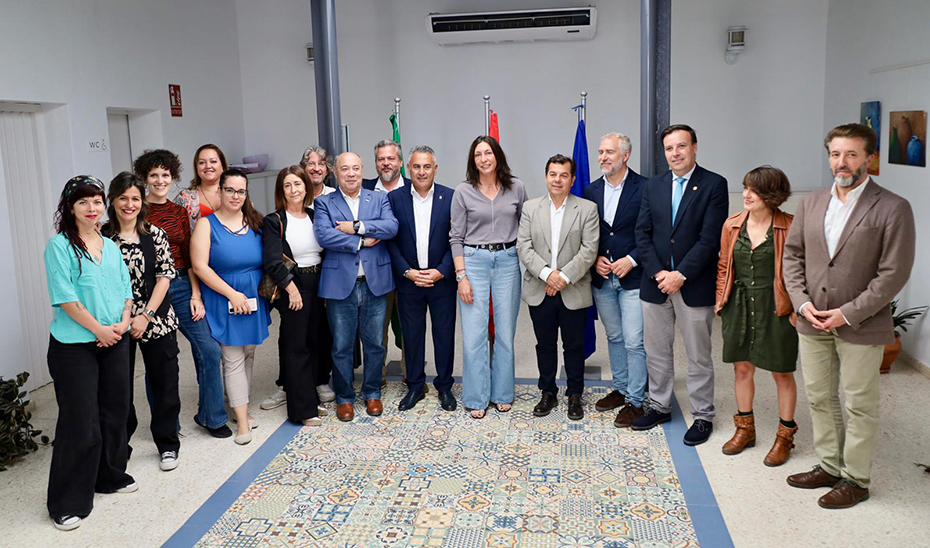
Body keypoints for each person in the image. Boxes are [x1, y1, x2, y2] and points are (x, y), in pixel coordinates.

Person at [783, 123, 915, 509]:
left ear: (870, 159)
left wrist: (846, 313)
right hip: (811, 319)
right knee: (820, 397)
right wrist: (801, 302)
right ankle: (828, 464)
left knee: (859, 403)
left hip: (861, 323)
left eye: (852, 154)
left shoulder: (893, 207)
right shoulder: (810, 202)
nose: (842, 163)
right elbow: (793, 257)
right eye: (836, 154)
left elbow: (894, 274)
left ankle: (856, 480)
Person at [44, 176, 137, 531]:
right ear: (70, 207)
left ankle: (109, 477)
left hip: (115, 339)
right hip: (75, 347)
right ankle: (66, 502)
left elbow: (126, 290)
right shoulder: (59, 247)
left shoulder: (109, 246)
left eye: (97, 201)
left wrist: (124, 321)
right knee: (80, 422)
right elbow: (66, 297)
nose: (92, 208)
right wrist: (99, 330)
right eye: (84, 202)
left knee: (114, 414)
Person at [633, 124, 728, 446]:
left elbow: (709, 239)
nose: (675, 153)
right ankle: (659, 405)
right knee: (657, 352)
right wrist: (660, 272)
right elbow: (641, 233)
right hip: (655, 284)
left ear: (695, 147)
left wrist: (680, 274)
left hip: (694, 285)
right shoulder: (654, 185)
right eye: (670, 148)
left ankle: (703, 415)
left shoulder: (714, 184)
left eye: (681, 146)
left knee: (698, 355)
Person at [135, 149, 230, 439]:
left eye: (165, 175)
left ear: (173, 177)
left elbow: (190, 256)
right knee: (161, 361)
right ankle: (167, 427)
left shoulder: (179, 211)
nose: (160, 180)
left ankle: (211, 416)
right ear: (145, 178)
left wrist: (195, 294)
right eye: (154, 175)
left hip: (180, 285)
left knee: (209, 350)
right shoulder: (136, 212)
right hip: (151, 292)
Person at [715, 166, 799, 466]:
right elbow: (724, 265)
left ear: (772, 194)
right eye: (745, 187)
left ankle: (784, 436)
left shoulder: (789, 226)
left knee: (782, 372)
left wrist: (796, 310)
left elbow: (800, 273)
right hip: (738, 303)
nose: (746, 195)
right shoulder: (732, 225)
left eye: (754, 190)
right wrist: (721, 303)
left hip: (776, 306)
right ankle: (745, 430)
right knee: (741, 370)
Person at [102, 172, 182, 471]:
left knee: (165, 384)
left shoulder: (154, 234)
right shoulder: (103, 237)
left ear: (142, 201)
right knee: (118, 388)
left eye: (135, 198)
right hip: (117, 324)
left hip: (156, 319)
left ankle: (167, 444)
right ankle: (120, 445)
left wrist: (146, 315)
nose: (129, 204)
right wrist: (128, 318)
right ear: (113, 200)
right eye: (123, 198)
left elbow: (165, 276)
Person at [315, 152, 398, 422]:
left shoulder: (380, 198)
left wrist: (356, 227)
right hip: (341, 285)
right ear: (335, 173)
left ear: (362, 171)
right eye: (344, 169)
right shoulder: (324, 202)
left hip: (375, 282)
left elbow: (391, 227)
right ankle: (345, 397)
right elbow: (324, 235)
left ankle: (372, 393)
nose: (351, 173)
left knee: (375, 343)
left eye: (355, 168)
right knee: (341, 345)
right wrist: (361, 240)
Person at [190, 169, 271, 445]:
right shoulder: (206, 225)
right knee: (233, 358)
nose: (235, 196)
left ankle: (240, 409)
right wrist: (232, 294)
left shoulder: (255, 222)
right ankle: (243, 423)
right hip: (224, 298)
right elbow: (200, 266)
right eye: (230, 190)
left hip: (254, 299)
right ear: (220, 191)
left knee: (248, 354)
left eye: (241, 191)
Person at [450, 136, 527, 419]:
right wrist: (461, 277)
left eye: (488, 153)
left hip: (508, 262)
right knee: (474, 335)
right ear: (473, 160)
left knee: (505, 332)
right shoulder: (463, 191)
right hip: (473, 263)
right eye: (478, 154)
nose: (484, 158)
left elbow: (526, 230)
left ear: (497, 156)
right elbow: (455, 237)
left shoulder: (516, 187)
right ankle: (476, 396)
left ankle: (503, 393)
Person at [517, 155, 599, 420]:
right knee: (545, 344)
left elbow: (589, 251)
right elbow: (524, 247)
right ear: (546, 176)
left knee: (574, 345)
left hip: (572, 289)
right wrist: (546, 275)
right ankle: (547, 392)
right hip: (539, 288)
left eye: (564, 175)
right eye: (553, 174)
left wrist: (561, 278)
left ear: (572, 179)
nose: (557, 179)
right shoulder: (531, 208)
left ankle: (575, 395)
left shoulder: (587, 209)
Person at [259, 146, 337, 410]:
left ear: (306, 187)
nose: (294, 190)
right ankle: (302, 408)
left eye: (298, 184)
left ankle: (311, 392)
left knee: (317, 339)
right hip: (294, 284)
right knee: (297, 345)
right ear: (281, 190)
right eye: (288, 185)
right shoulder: (274, 220)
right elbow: (272, 260)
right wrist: (291, 290)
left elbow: (327, 251)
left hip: (319, 282)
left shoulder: (317, 215)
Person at [583, 132, 649, 427]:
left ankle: (636, 400)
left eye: (609, 152)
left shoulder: (645, 188)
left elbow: (651, 232)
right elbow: (587, 233)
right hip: (602, 279)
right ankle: (621, 390)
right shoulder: (591, 190)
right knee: (615, 337)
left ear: (625, 155)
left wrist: (632, 259)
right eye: (600, 152)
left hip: (633, 276)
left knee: (635, 341)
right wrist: (594, 257)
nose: (602, 158)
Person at [386, 146, 457, 412]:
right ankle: (415, 386)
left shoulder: (450, 197)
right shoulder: (395, 199)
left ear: (435, 169)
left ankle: (445, 387)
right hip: (409, 281)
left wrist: (442, 270)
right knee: (412, 337)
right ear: (408, 168)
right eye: (416, 166)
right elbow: (390, 242)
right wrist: (407, 271)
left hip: (442, 281)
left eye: (427, 166)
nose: (422, 171)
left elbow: (457, 239)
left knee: (444, 335)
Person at [362, 139, 410, 383]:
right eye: (381, 159)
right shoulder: (364, 189)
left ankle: (410, 377)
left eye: (391, 158)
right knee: (375, 329)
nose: (386, 163)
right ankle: (374, 378)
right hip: (375, 270)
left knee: (409, 328)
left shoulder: (415, 187)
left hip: (410, 271)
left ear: (400, 162)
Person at [176, 144, 228, 232]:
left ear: (222, 166)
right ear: (197, 168)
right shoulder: (185, 197)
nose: (208, 166)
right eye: (202, 162)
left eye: (213, 161)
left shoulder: (236, 193)